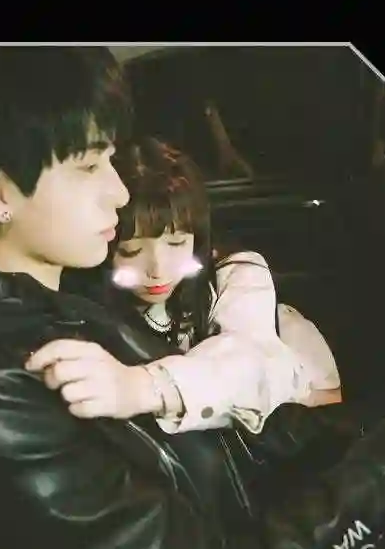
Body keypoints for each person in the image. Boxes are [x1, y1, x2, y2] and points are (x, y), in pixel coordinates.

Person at [0, 46, 385, 549]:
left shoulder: (65, 301)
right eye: (87, 166)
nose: (118, 192)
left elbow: (233, 445)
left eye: (111, 160)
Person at [68, 135, 344, 436]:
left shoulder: (237, 273)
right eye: (131, 251)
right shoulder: (86, 299)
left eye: (177, 243)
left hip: (305, 402)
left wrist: (144, 387)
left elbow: (250, 361)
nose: (158, 270)